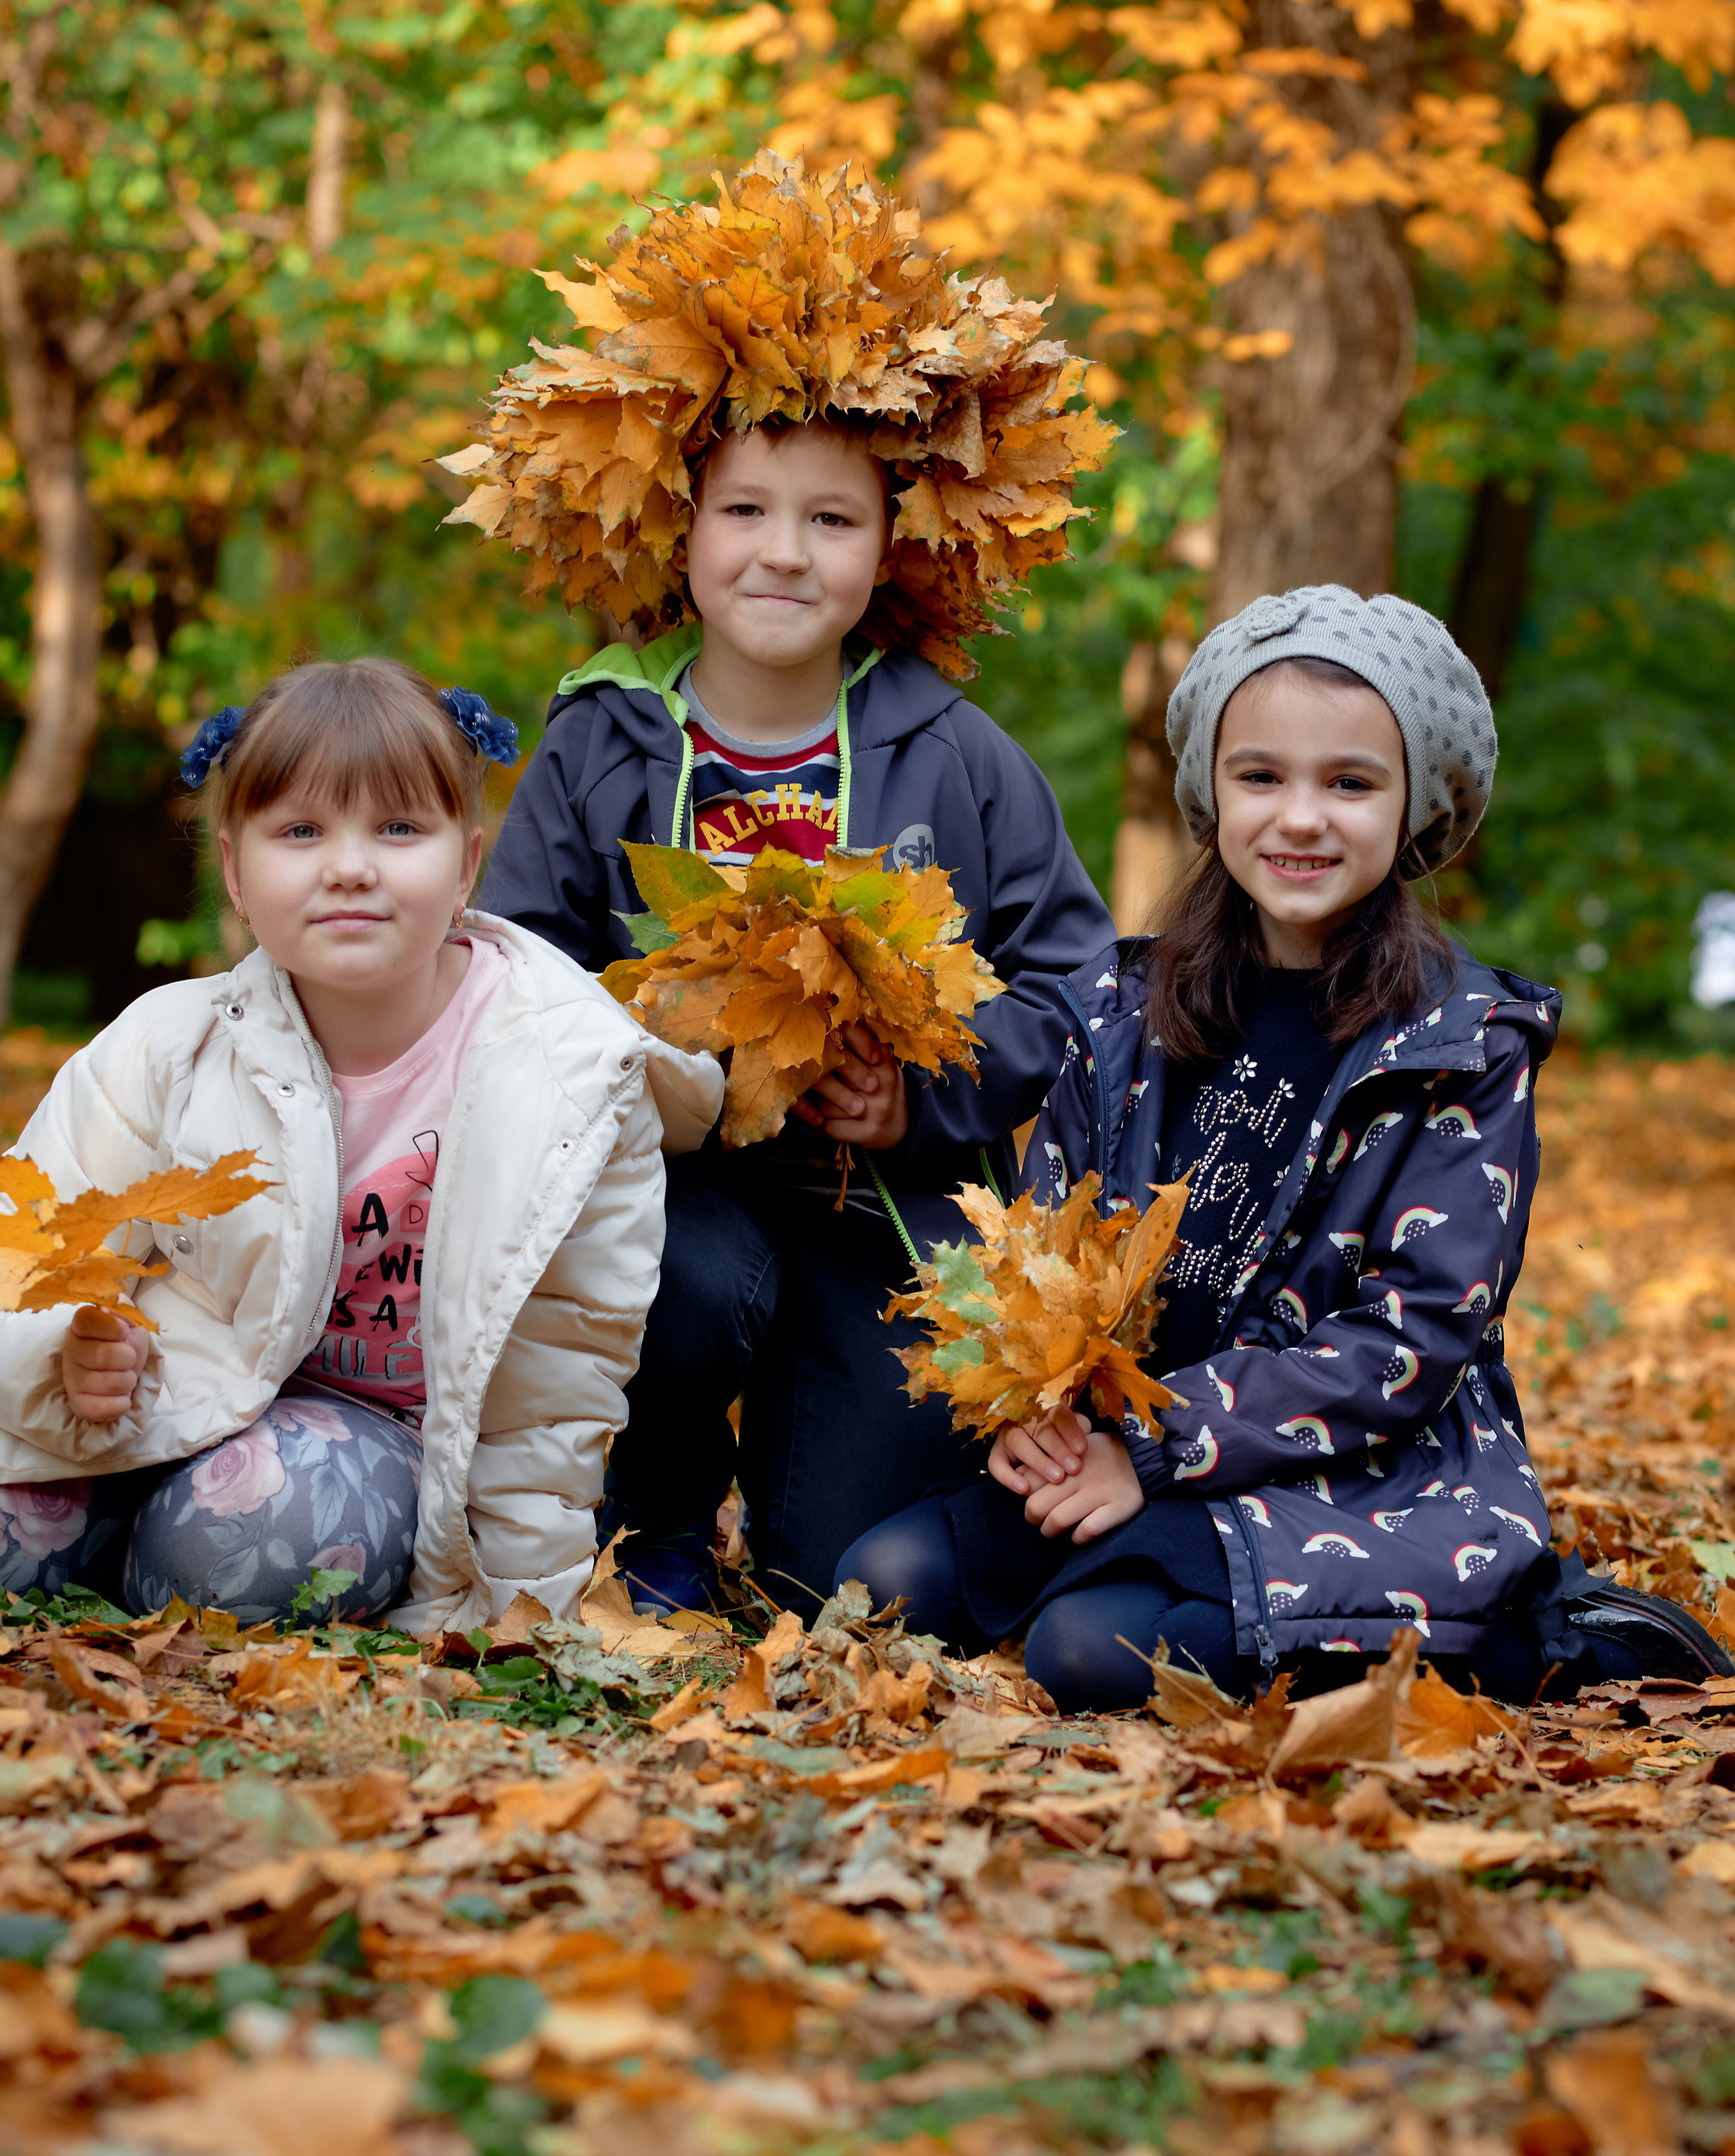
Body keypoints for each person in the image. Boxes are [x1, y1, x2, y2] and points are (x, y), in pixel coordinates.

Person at [838, 585, 1730, 1707]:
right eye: (1260, 776)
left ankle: (1545, 1634)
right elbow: (1040, 1255)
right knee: (884, 1580)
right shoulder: (1119, 1008)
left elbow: (1412, 1337)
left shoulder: (1461, 1044)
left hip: (1356, 1470)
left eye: (1349, 784)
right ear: (1212, 792)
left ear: (1412, 805)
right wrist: (1039, 1415)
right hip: (1128, 1441)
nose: (1300, 819)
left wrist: (1152, 1451)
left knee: (1091, 1653)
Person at [468, 153, 1114, 1616]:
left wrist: (925, 1097)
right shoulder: (603, 736)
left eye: (831, 519)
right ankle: (659, 1510)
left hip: (881, 1211)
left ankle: (802, 1504)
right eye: (745, 510)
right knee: (686, 1279)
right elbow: (510, 971)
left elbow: (1078, 988)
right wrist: (634, 1056)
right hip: (661, 1191)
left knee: (842, 1582)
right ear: (679, 529)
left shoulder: (956, 752)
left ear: (892, 546)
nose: (783, 552)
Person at [0, 658, 720, 1633]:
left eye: (398, 829)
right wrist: (63, 1355)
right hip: (175, 1393)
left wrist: (518, 1613)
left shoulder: (570, 1081)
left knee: (248, 1538)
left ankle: (150, 1569)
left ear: (466, 866)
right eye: (300, 831)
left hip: (375, 1445)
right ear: (234, 871)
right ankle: (112, 1550)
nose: (349, 867)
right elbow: (29, 1252)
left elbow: (559, 1380)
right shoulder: (168, 1047)